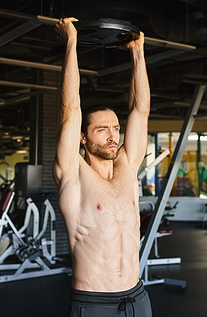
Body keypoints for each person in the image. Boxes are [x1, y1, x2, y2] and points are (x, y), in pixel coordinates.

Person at [53, 17, 152, 317]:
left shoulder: (127, 164)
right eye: (102, 130)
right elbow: (70, 108)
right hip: (94, 303)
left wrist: (138, 52)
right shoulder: (73, 173)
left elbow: (141, 110)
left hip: (137, 297)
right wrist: (72, 41)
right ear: (83, 137)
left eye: (115, 128)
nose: (113, 136)